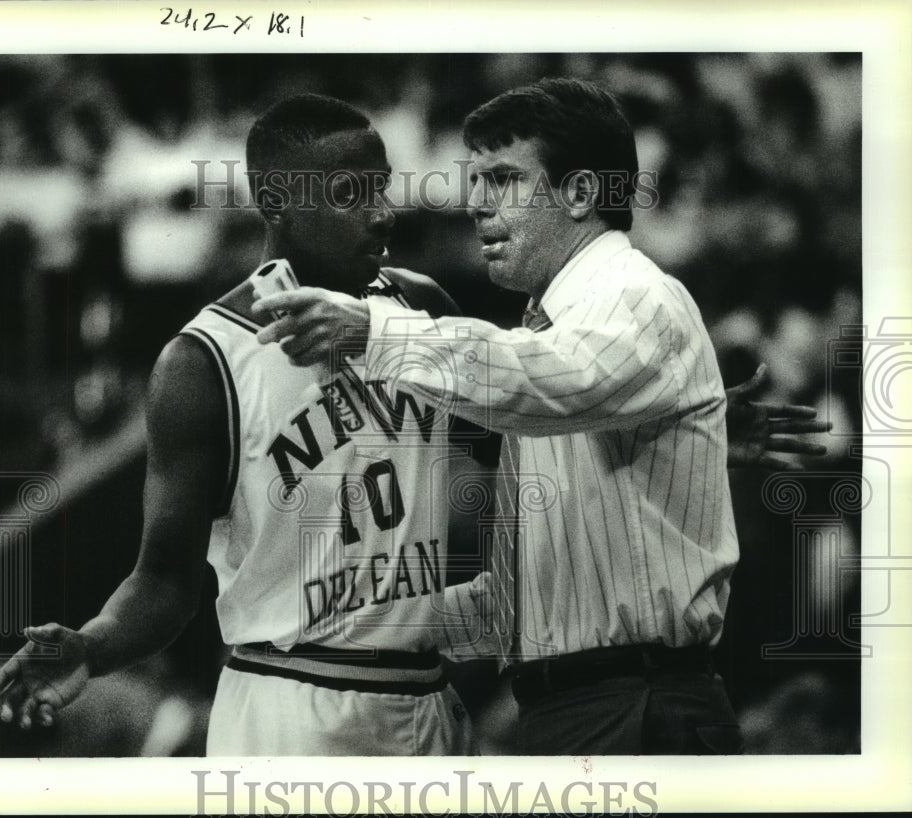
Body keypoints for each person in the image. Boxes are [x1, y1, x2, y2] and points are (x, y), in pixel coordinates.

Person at [252, 78, 828, 754]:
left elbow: (547, 376)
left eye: (502, 180)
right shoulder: (561, 329)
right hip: (586, 706)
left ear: (581, 194)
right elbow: (534, 603)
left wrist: (371, 330)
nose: (477, 205)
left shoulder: (634, 296)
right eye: (476, 181)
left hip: (637, 708)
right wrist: (353, 621)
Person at [0, 93, 485, 756]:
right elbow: (166, 581)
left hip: (428, 692)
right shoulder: (202, 363)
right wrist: (94, 646)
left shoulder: (422, 304)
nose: (382, 213)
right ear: (275, 201)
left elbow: (504, 461)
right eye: (349, 193)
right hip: (291, 702)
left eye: (381, 189)